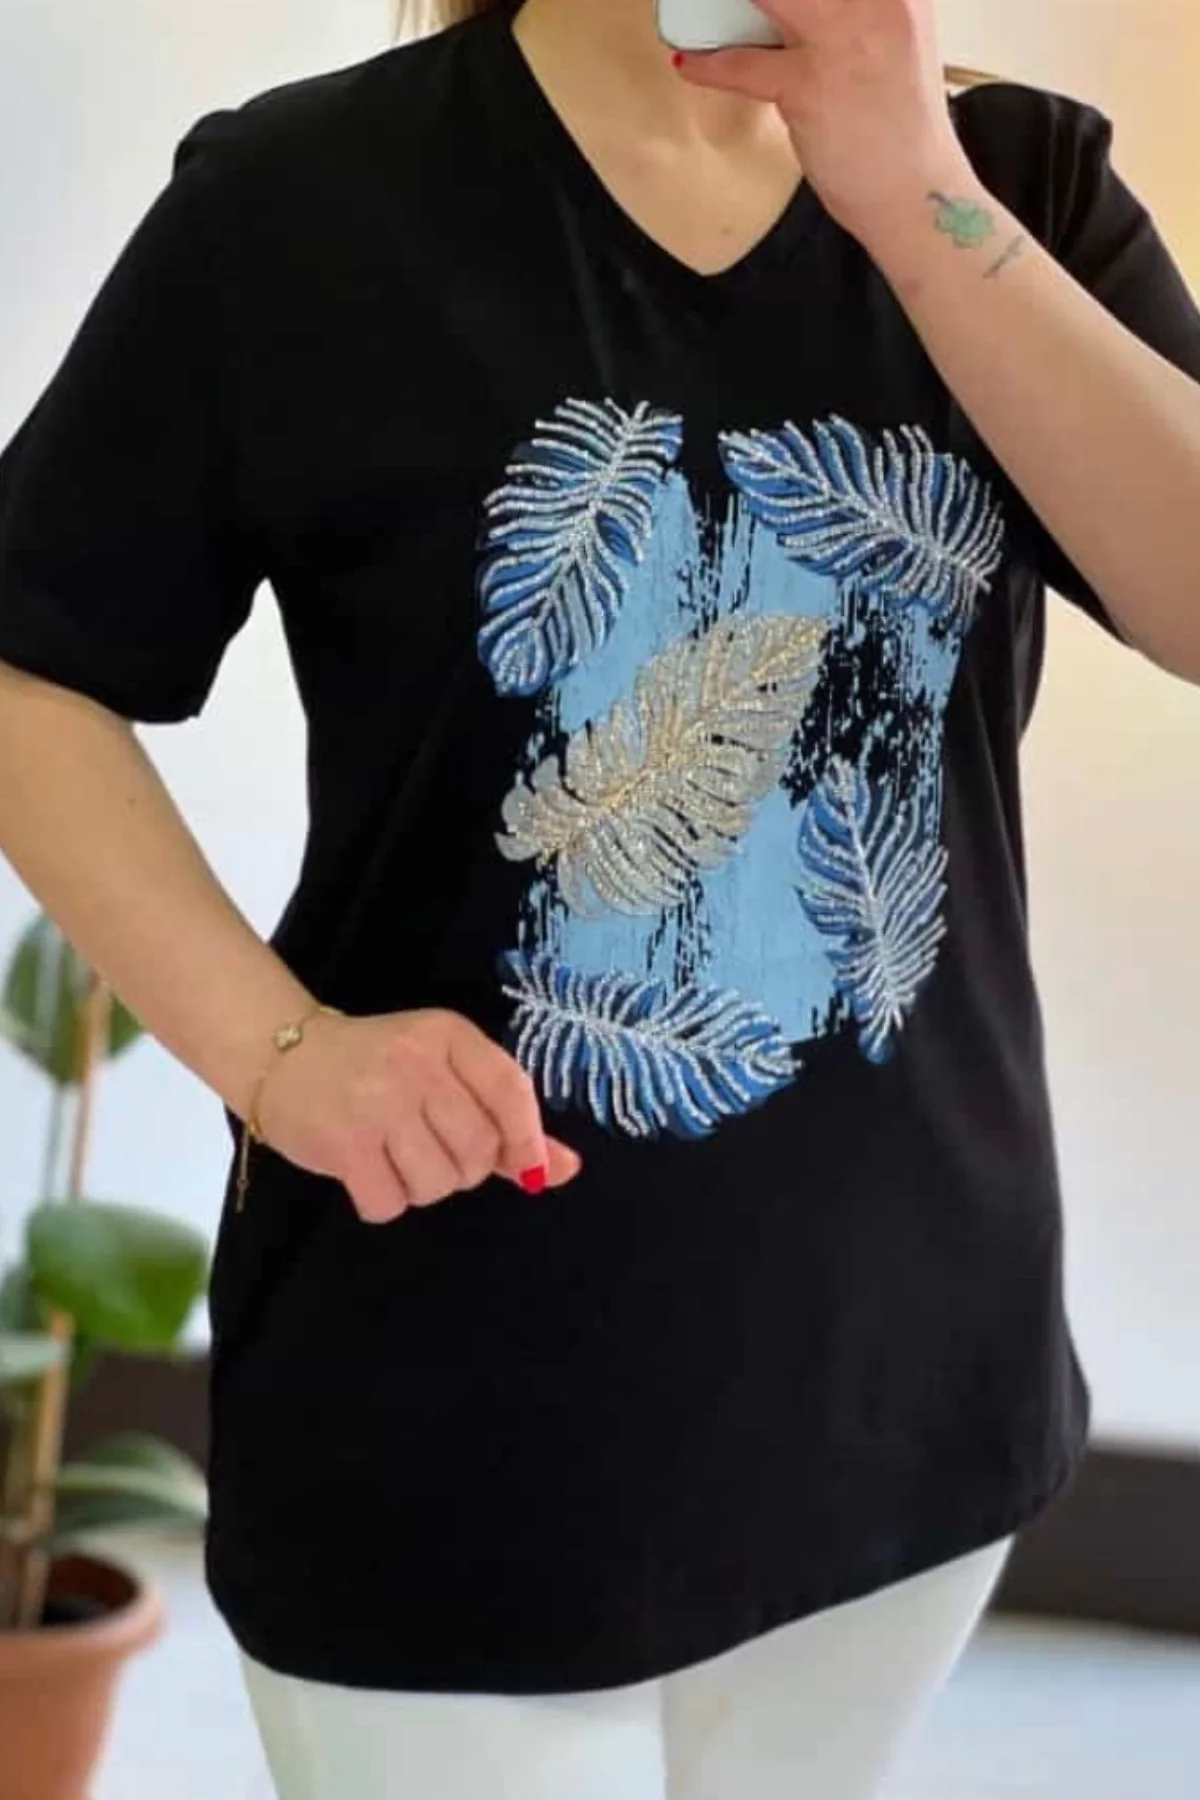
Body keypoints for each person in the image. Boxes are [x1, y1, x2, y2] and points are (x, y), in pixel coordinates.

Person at [1, 0, 1198, 1793]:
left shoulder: (1013, 174)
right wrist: (275, 1053)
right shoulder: (302, 202)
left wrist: (911, 194)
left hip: (914, 1380)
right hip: (456, 1409)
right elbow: (28, 667)